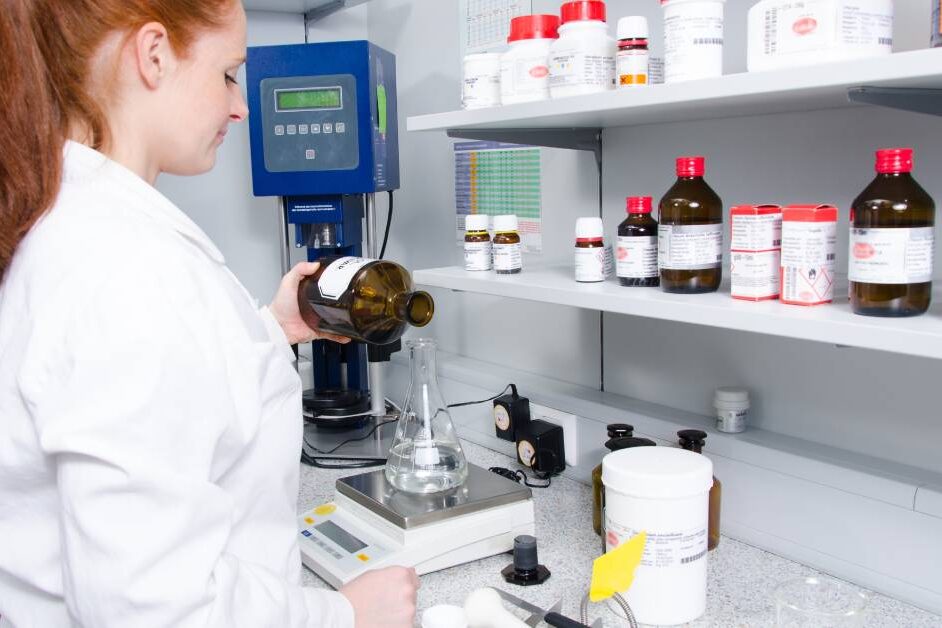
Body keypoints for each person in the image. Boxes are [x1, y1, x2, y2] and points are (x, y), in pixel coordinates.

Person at [0, 1, 418, 626]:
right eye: (228, 73)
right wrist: (345, 616)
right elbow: (150, 609)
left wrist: (268, 332)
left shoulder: (72, 229)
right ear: (153, 54)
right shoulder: (125, 269)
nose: (241, 106)